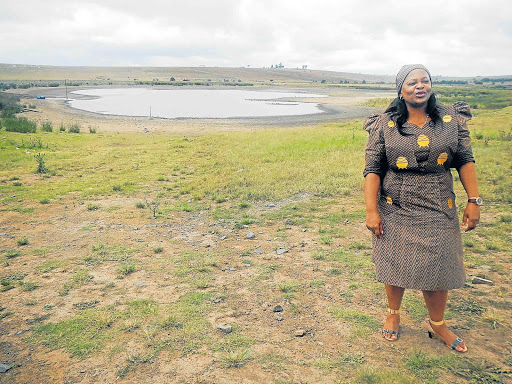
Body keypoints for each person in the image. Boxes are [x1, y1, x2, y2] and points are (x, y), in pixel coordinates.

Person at [363, 64, 481, 352]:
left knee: (439, 265)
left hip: (439, 205)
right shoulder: (385, 124)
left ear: (431, 86)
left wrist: (474, 200)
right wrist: (371, 210)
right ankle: (393, 314)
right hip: (395, 206)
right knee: (395, 262)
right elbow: (372, 169)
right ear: (400, 91)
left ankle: (437, 323)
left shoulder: (451, 121)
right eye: (412, 82)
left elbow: (465, 159)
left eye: (424, 81)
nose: (419, 86)